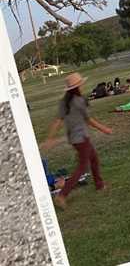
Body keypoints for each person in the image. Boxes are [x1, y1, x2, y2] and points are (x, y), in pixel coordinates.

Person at [41, 73, 111, 209]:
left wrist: (50, 138)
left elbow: (58, 121)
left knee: (94, 160)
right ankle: (62, 195)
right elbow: (89, 120)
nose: (82, 86)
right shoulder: (79, 101)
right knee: (82, 167)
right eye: (81, 84)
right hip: (81, 139)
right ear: (78, 87)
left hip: (74, 139)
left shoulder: (64, 102)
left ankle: (99, 185)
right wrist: (104, 129)